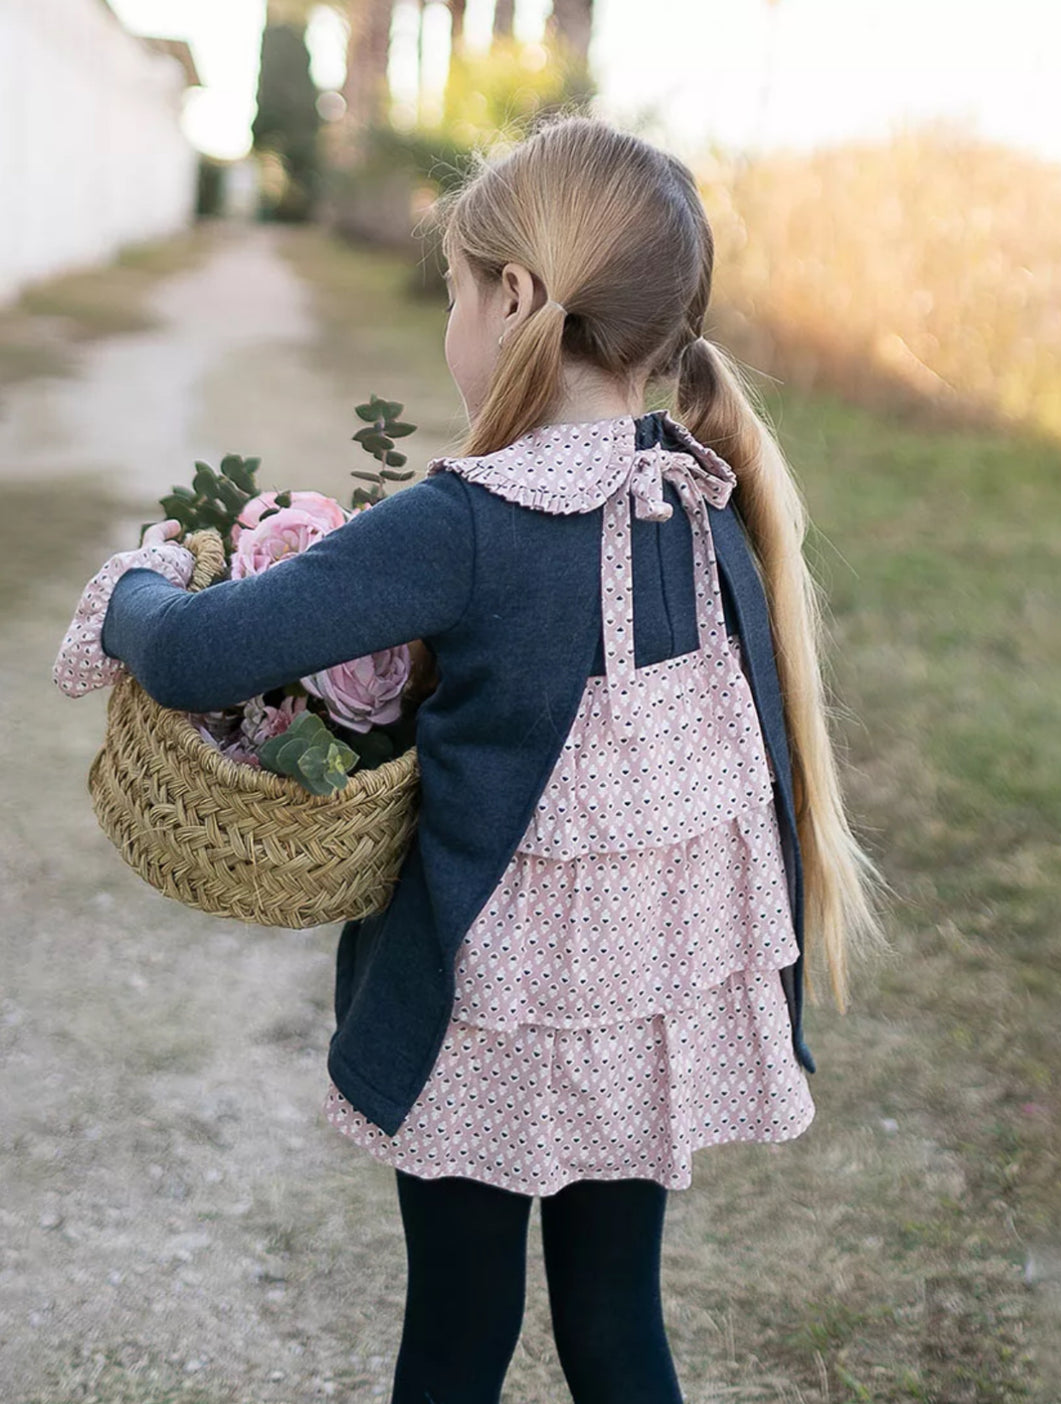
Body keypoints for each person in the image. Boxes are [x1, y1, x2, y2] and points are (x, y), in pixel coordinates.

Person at [53, 114, 890, 1403]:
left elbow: (201, 654)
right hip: (642, 1007)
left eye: (454, 290)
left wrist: (135, 591)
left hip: (484, 1014)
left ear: (513, 296)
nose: (453, 323)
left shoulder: (470, 522)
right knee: (619, 1325)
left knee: (456, 1334)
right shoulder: (698, 494)